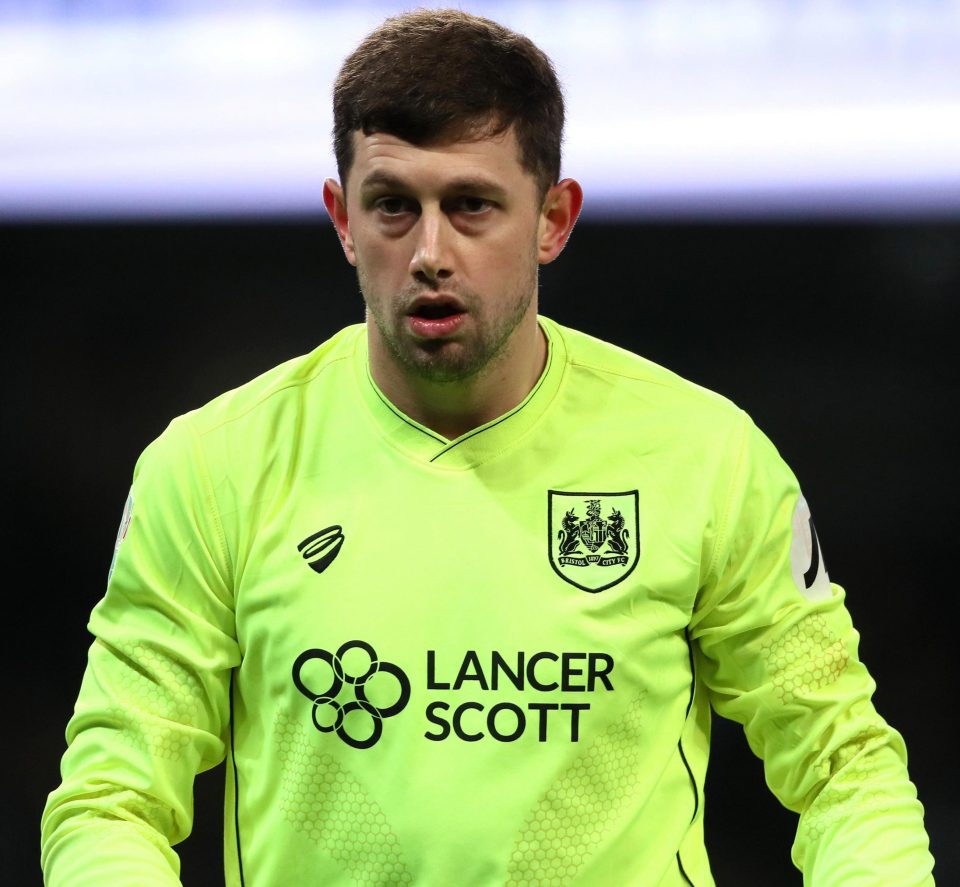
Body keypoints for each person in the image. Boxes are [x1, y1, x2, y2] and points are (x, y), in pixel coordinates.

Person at [41, 8, 935, 887]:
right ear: (342, 219)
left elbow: (843, 769)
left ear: (553, 217)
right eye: (393, 205)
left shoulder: (705, 456)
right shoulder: (211, 468)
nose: (430, 251)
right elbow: (113, 800)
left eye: (471, 206)